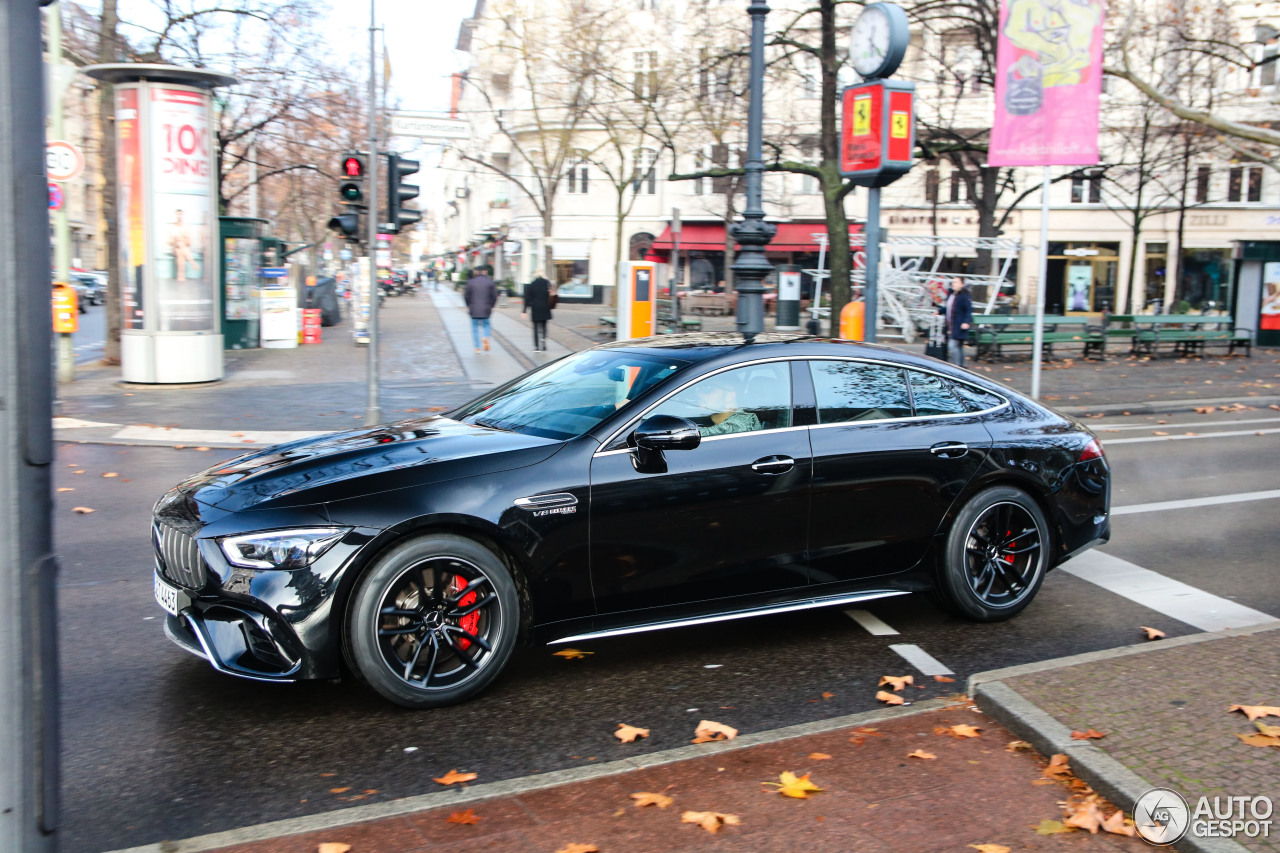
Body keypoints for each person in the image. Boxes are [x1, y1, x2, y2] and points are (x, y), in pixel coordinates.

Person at [696, 381, 760, 437]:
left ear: (729, 396)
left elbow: (696, 435)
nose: (698, 394)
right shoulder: (710, 422)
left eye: (708, 389)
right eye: (698, 389)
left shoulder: (738, 425)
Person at [463, 265, 497, 353]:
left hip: (474, 308)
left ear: (476, 272)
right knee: (487, 325)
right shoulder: (490, 282)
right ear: (485, 272)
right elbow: (494, 296)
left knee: (475, 328)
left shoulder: (471, 282)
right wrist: (491, 305)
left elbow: (466, 296)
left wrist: (468, 305)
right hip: (486, 308)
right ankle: (485, 336)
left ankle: (477, 348)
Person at [943, 277, 973, 368]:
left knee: (953, 345)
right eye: (953, 282)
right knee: (959, 346)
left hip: (959, 325)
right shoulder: (951, 294)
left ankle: (956, 366)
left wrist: (966, 322)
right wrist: (940, 311)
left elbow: (968, 310)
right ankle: (962, 365)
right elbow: (949, 308)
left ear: (962, 284)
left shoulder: (964, 296)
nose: (953, 284)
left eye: (956, 282)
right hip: (951, 325)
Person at [523, 270, 553, 352]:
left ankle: (536, 347)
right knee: (544, 326)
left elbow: (527, 297)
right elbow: (551, 295)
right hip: (545, 307)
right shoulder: (547, 283)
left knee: (536, 327)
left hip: (535, 308)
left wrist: (524, 310)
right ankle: (544, 342)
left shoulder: (532, 284)